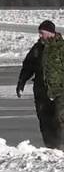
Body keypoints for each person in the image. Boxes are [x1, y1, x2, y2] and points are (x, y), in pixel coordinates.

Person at [16, 20, 64, 150]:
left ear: (50, 33)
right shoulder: (37, 48)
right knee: (45, 121)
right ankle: (51, 149)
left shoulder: (61, 47)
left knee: (60, 118)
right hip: (41, 92)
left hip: (60, 91)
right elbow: (27, 66)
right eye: (39, 33)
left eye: (42, 33)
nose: (40, 36)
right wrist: (21, 82)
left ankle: (61, 146)